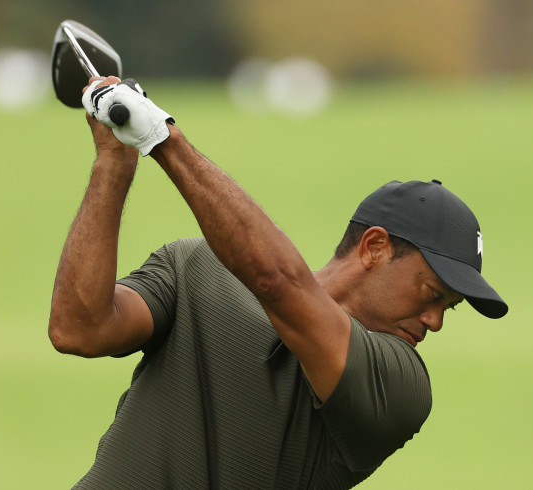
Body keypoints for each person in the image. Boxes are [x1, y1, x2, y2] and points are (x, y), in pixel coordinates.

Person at [49, 76, 508, 489]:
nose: (436, 322)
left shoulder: (400, 387)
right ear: (374, 247)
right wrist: (114, 163)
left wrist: (160, 137)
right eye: (433, 295)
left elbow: (278, 285)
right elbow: (79, 329)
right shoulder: (195, 267)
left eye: (448, 308)